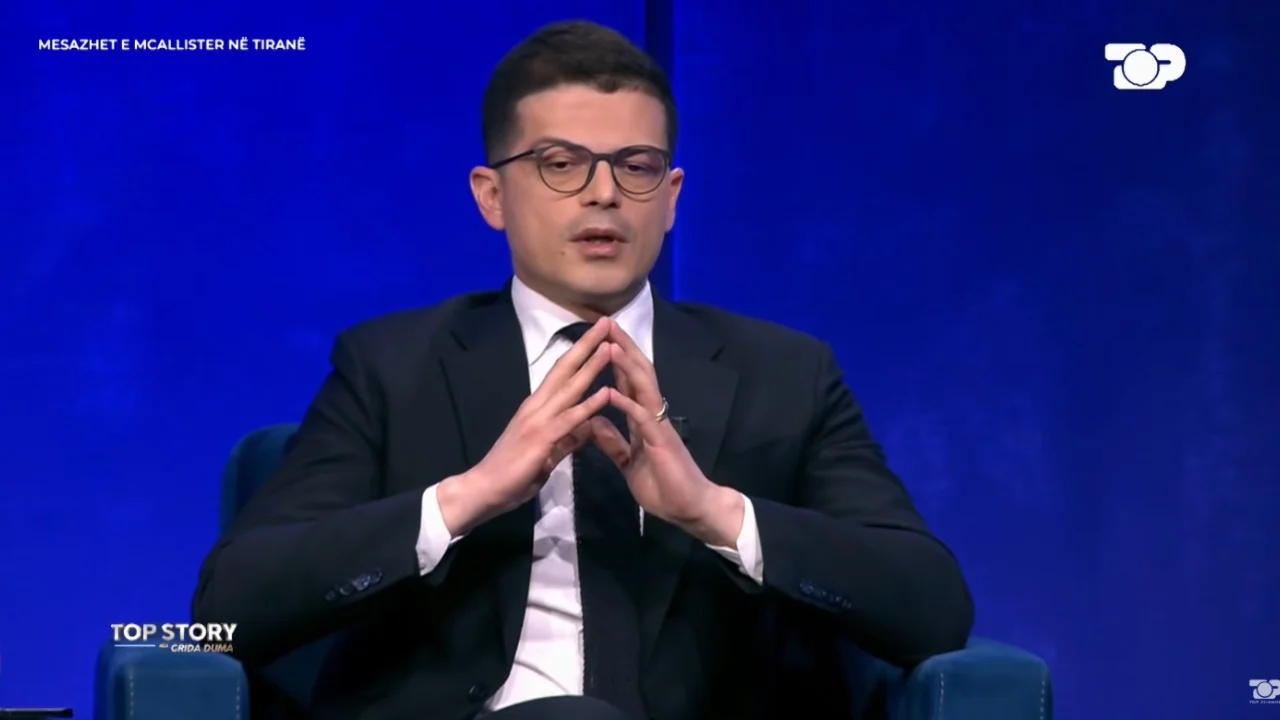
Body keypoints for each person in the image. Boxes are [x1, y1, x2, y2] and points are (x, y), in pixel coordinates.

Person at [192, 19, 974, 720]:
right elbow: (228, 612)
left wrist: (715, 513)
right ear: (492, 196)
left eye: (636, 166)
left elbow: (933, 608)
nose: (604, 194)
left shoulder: (786, 375)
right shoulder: (390, 368)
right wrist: (467, 498)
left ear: (671, 198)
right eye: (561, 163)